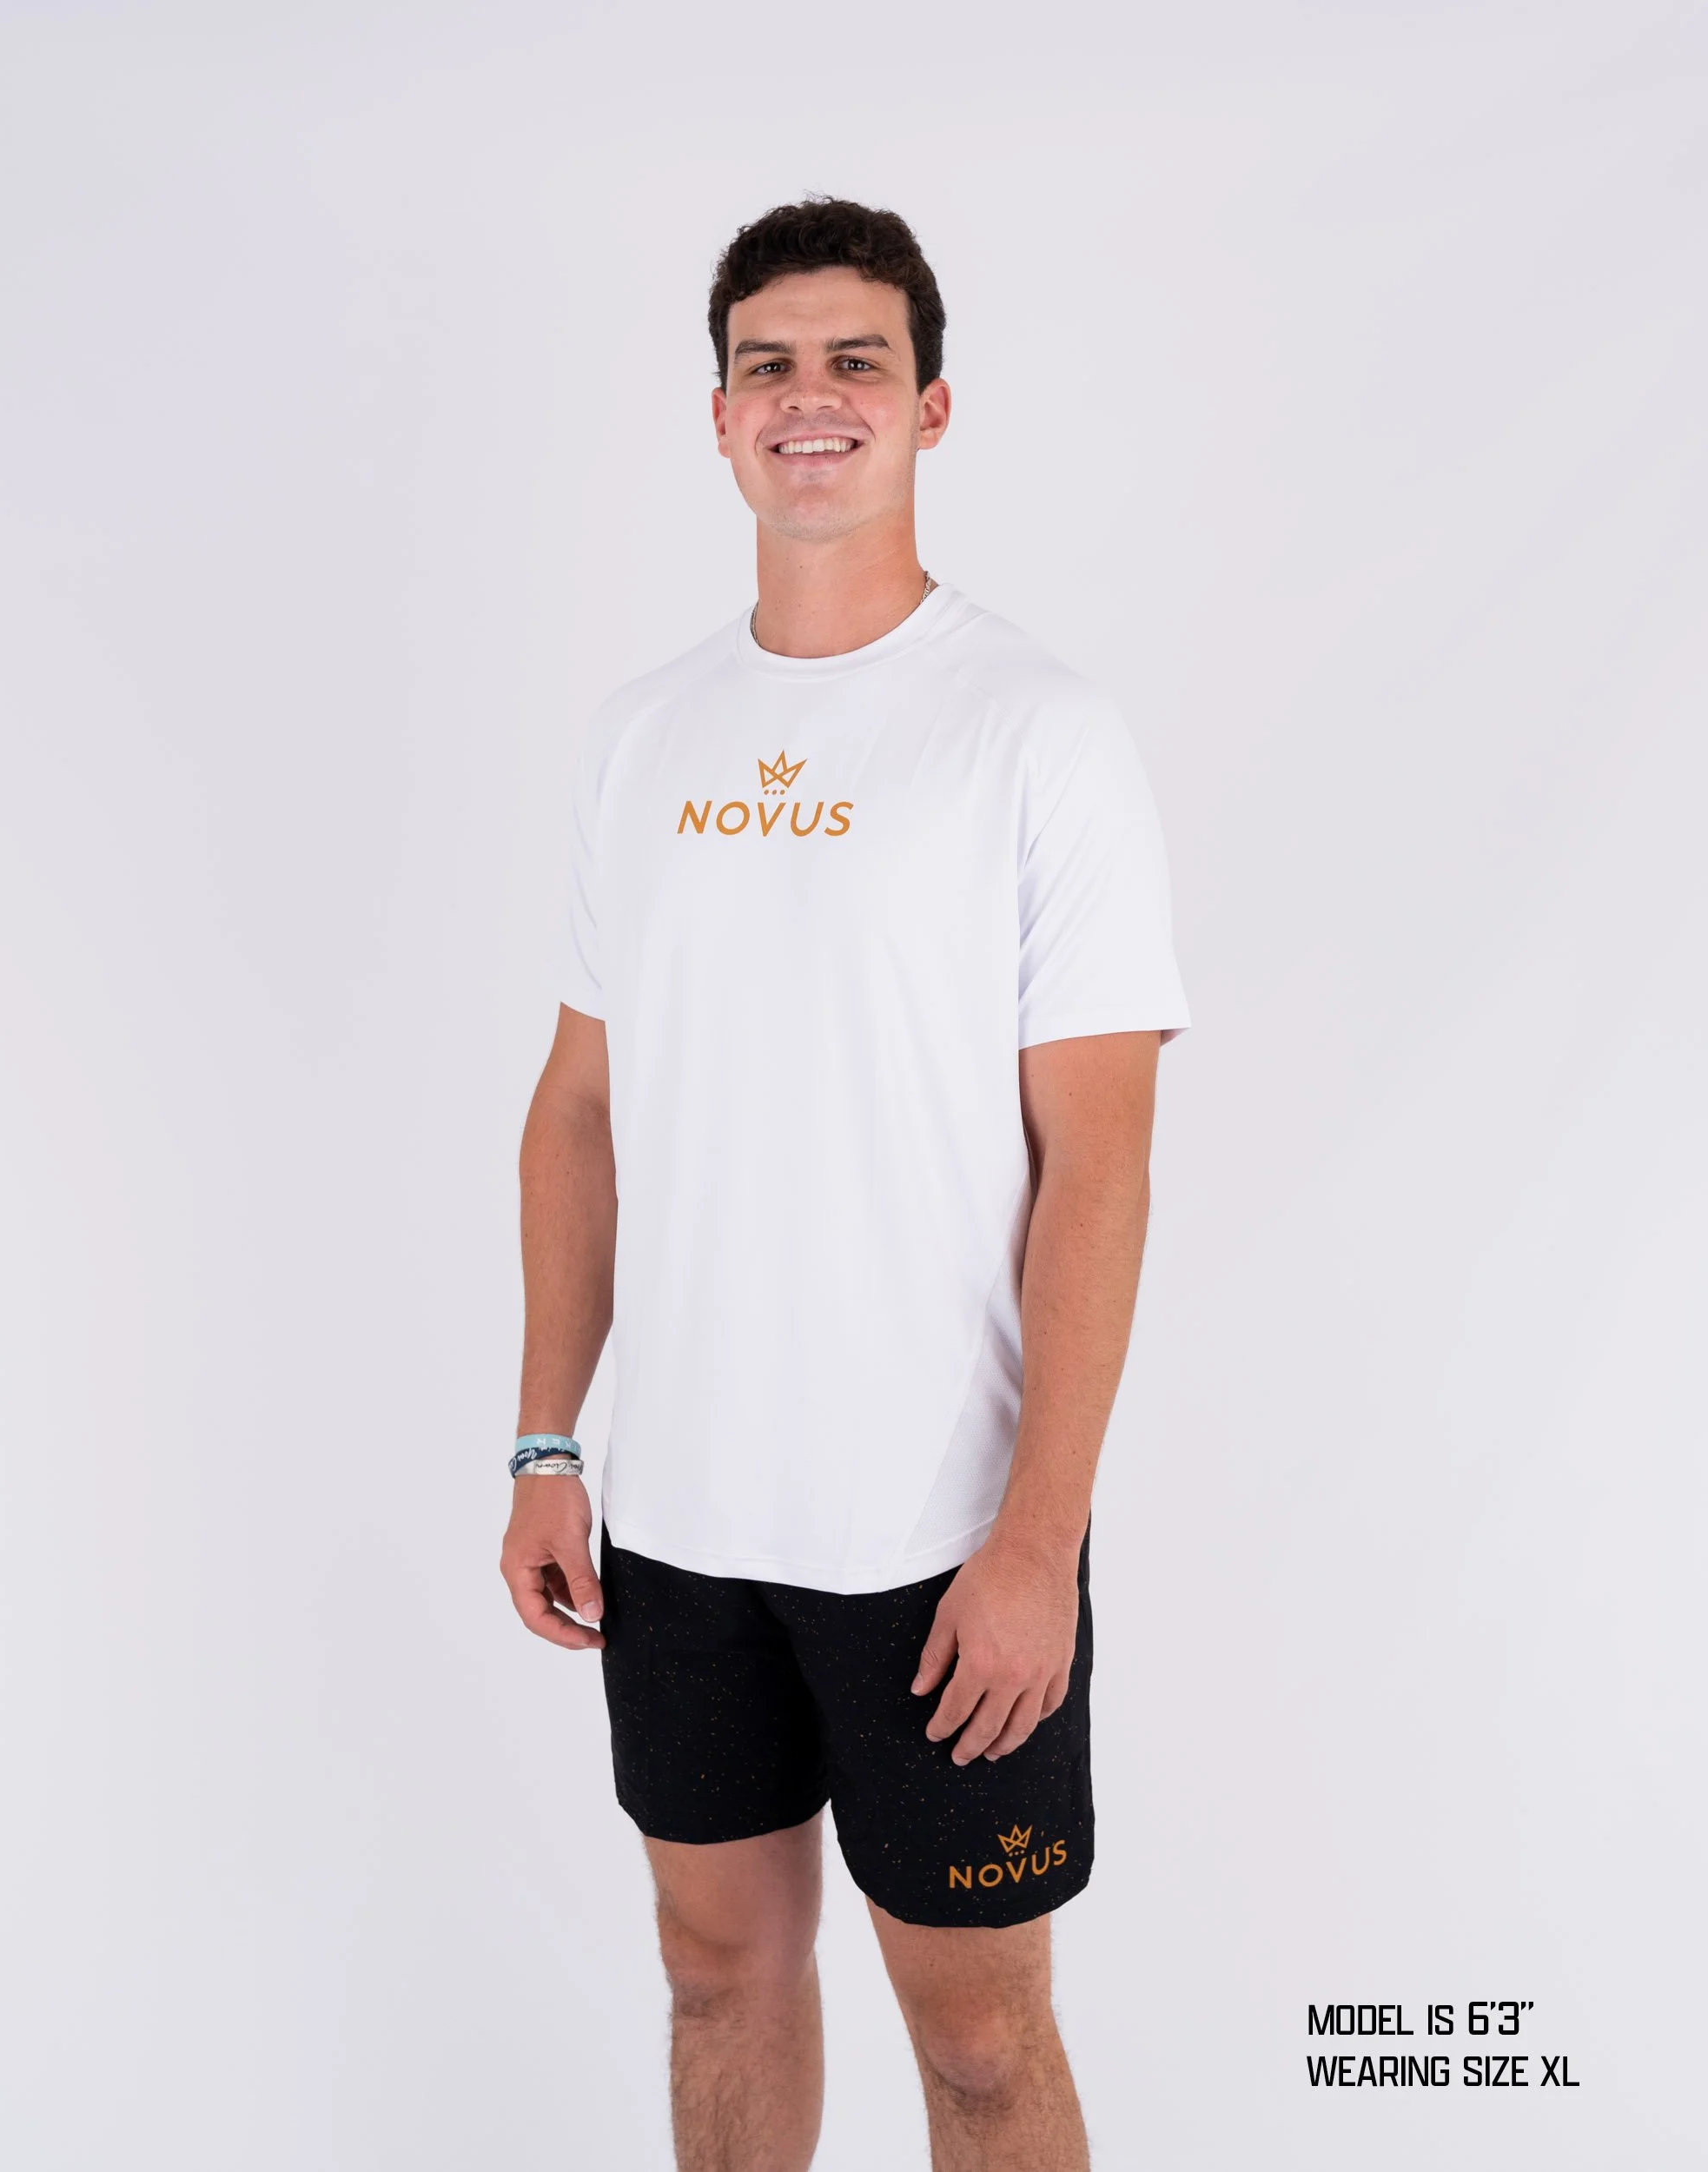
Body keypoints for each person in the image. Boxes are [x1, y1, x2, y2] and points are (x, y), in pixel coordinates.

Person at [500, 195, 1189, 2172]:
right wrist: (547, 1441)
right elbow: (577, 1108)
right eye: (770, 365)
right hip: (679, 1526)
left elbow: (1100, 1163)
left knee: (975, 2039)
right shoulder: (643, 739)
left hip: (939, 1533)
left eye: (856, 360)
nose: (811, 397)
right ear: (719, 415)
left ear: (931, 407)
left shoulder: (1037, 733)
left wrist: (1038, 1538)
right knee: (715, 1973)